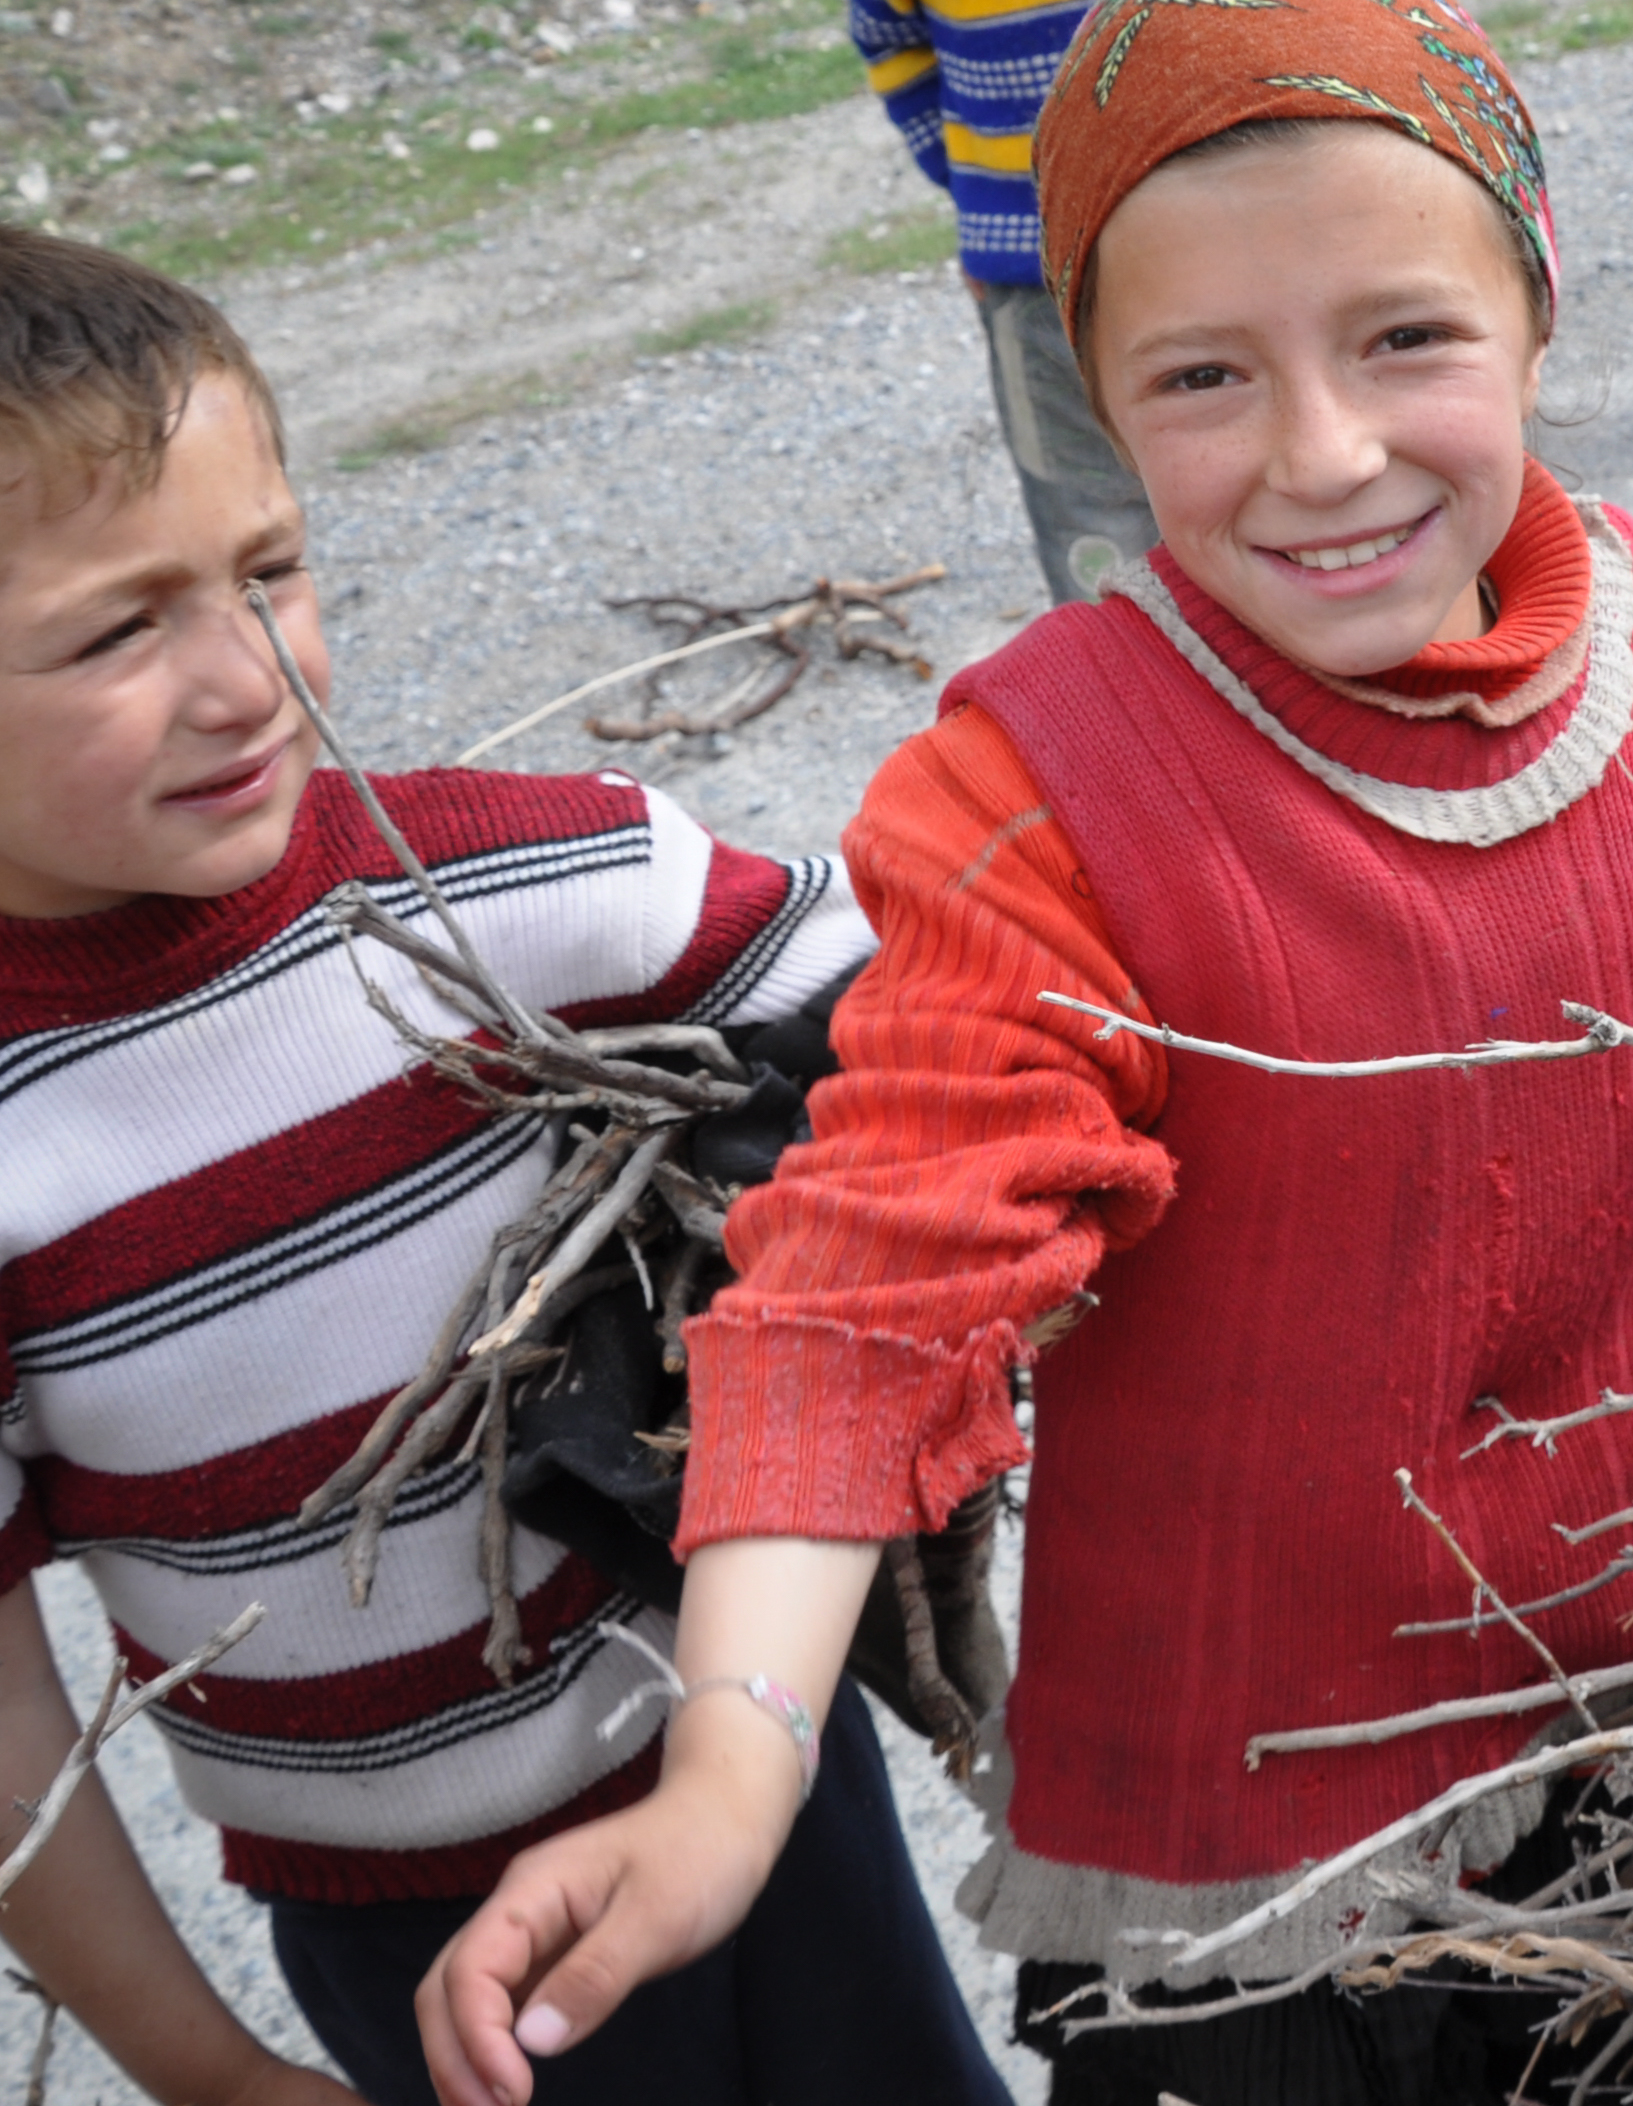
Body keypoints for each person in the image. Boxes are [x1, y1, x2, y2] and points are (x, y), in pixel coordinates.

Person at [419, 0, 1633, 2106]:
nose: (1326, 452)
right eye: (1201, 379)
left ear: (1539, 311)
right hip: (1249, 1855)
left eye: (1405, 340)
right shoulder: (1042, 793)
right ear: (1091, 392)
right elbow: (871, 1288)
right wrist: (732, 1763)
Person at [0, 229, 1004, 2106]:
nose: (247, 682)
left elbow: (946, 1034)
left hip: (753, 1771)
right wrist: (199, 2060)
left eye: (271, 571)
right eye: (119, 627)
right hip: (415, 1935)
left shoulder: (539, 889)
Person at [824, 0, 1301, 607]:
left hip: (1232, 235)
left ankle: (1305, 707)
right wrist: (981, 196)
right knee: (1097, 534)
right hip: (1033, 279)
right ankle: (1136, 734)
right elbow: (895, 48)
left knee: (1275, 474)